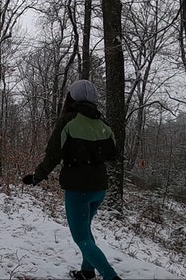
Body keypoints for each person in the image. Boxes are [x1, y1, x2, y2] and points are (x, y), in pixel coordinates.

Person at [22, 79, 122, 280]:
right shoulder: (103, 123)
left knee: (81, 237)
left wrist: (36, 177)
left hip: (78, 189)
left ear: (72, 97)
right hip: (99, 187)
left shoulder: (68, 121)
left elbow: (53, 155)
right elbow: (113, 156)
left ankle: (112, 277)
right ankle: (87, 272)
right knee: (86, 230)